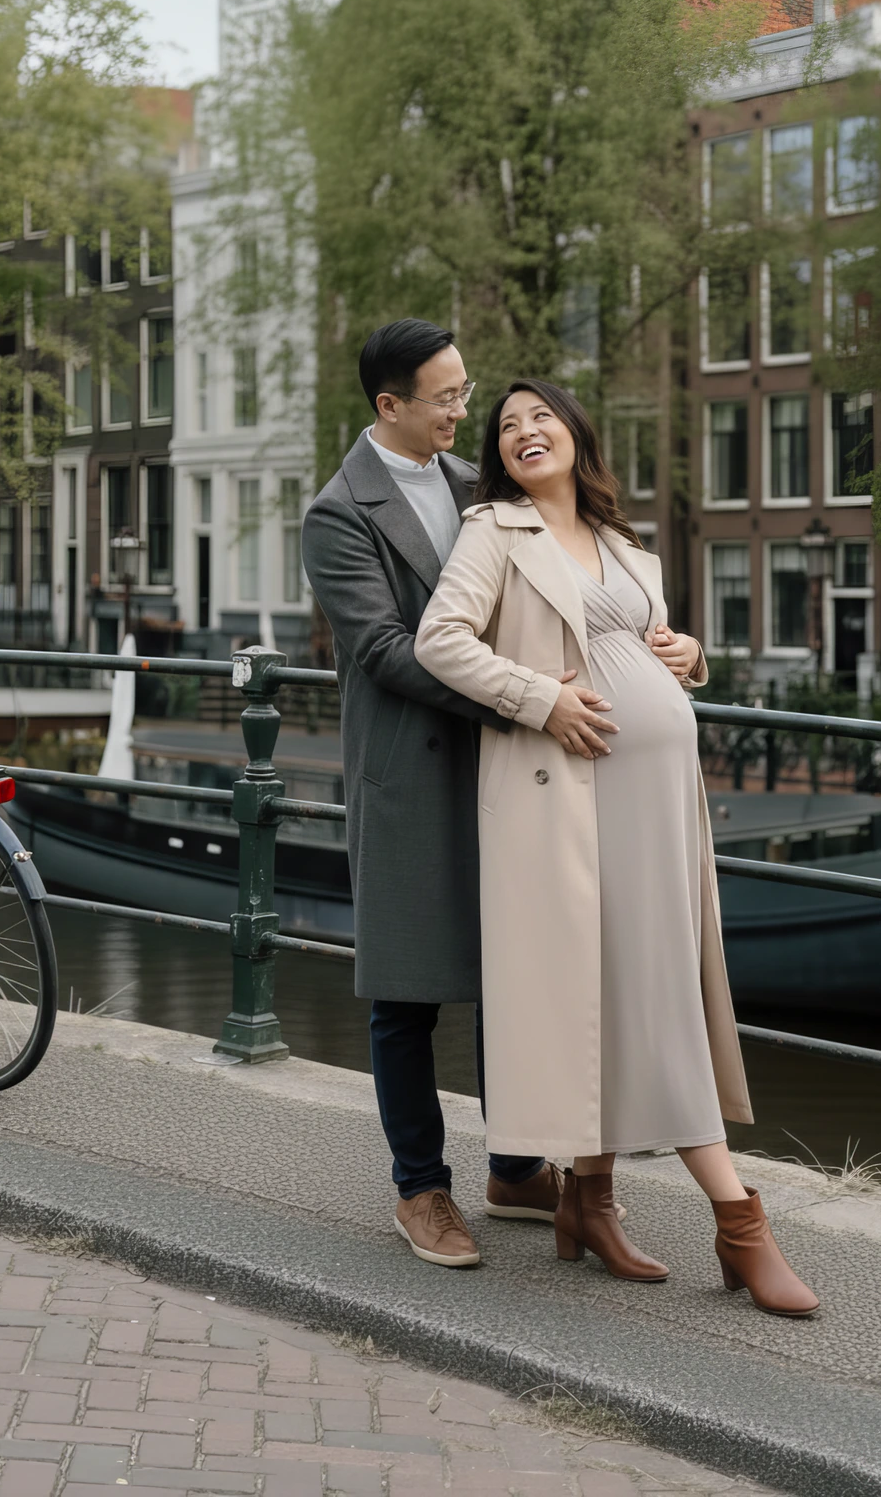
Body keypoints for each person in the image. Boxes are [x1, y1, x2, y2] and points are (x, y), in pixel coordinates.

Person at [414, 380, 819, 1314]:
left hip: (659, 798)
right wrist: (539, 699)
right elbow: (441, 640)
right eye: (506, 426)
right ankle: (739, 1219)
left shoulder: (626, 546)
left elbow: (646, 643)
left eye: (539, 416)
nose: (524, 432)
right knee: (645, 995)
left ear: (575, 432)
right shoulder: (494, 533)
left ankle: (590, 1203)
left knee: (639, 983)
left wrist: (690, 658)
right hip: (573, 797)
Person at [302, 324, 601, 1270]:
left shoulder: (486, 490)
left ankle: (513, 1168)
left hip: (509, 760)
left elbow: (568, 592)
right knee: (407, 996)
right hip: (414, 770)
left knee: (514, 971)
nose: (465, 412)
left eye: (467, 391)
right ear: (389, 406)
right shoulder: (339, 511)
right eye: (446, 398)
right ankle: (419, 1188)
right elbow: (387, 651)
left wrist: (666, 647)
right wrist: (521, 695)